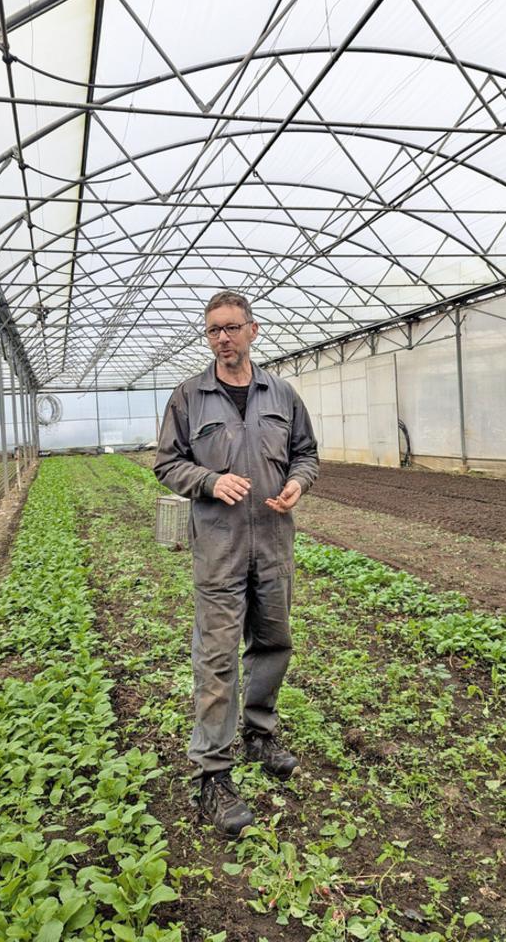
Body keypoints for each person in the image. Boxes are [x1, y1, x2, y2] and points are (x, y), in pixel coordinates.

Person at [154, 291, 319, 837]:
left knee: (273, 644)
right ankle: (213, 774)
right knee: (217, 659)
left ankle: (260, 734)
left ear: (253, 331)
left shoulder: (283, 394)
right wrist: (208, 480)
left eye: (231, 328)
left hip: (273, 544)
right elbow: (166, 463)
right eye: (213, 330)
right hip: (220, 551)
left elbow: (306, 453)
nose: (222, 338)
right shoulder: (188, 397)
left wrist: (297, 483)